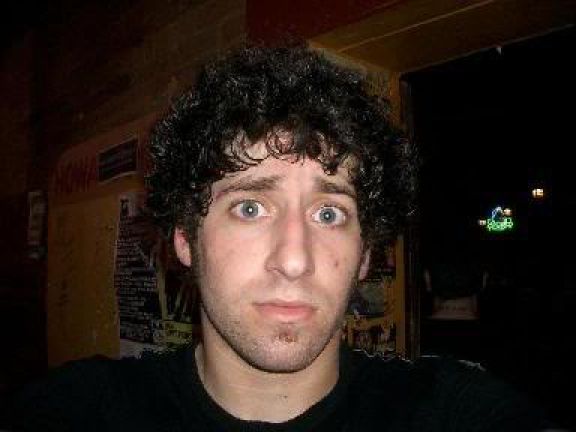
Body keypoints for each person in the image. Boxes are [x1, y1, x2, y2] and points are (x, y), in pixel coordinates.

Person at [14, 44, 551, 431]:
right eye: (250, 207)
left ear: (365, 253)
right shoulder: (80, 410)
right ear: (185, 238)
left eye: (329, 214)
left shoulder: (453, 412)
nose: (294, 261)